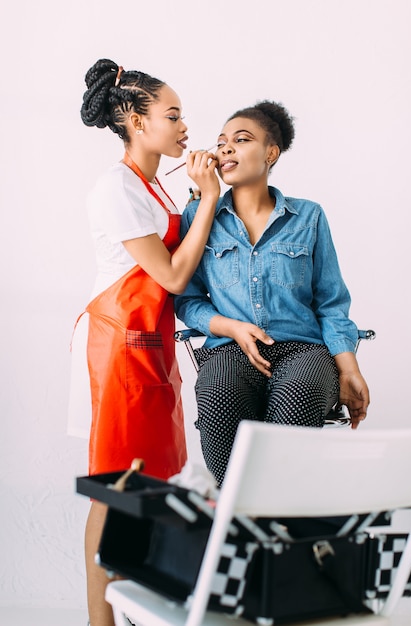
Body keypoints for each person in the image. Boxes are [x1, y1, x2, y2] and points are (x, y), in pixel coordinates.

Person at [69, 58, 220, 626]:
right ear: (135, 119)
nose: (185, 127)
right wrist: (206, 199)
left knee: (149, 482)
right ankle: (99, 620)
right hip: (118, 348)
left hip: (149, 346)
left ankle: (134, 608)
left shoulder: (152, 184)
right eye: (173, 115)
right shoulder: (115, 187)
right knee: (115, 487)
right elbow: (174, 276)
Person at [175, 100, 370, 487]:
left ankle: (275, 516)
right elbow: (187, 300)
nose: (226, 148)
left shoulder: (309, 216)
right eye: (221, 142)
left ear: (271, 153)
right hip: (230, 348)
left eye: (242, 139)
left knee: (297, 396)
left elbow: (331, 303)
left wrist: (349, 370)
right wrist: (231, 327)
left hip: (303, 349)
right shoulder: (198, 217)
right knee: (217, 397)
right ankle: (244, 516)